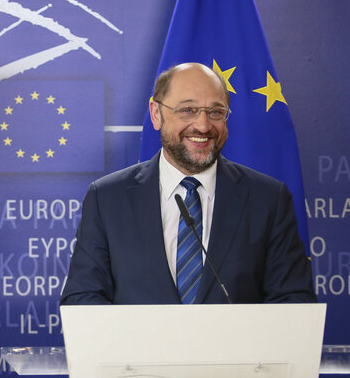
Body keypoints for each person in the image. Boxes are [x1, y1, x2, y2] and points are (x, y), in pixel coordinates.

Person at [61, 62, 315, 305]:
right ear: (156, 114)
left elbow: (293, 301)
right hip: (140, 350)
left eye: (215, 112)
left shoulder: (267, 198)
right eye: (187, 110)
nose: (203, 125)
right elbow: (83, 298)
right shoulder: (107, 199)